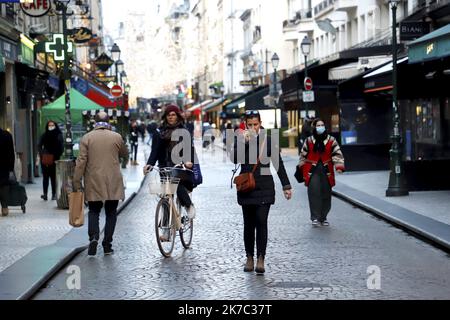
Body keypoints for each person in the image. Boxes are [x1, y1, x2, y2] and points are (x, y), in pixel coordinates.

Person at [231, 110, 292, 274]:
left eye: (255, 124)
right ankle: (249, 257)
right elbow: (234, 158)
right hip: (246, 187)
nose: (252, 128)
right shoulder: (240, 139)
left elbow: (278, 164)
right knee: (248, 225)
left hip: (264, 187)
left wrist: (286, 186)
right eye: (249, 125)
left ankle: (261, 258)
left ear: (260, 124)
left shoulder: (269, 141)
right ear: (245, 124)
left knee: (261, 221)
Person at [73, 111, 129, 256]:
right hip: (113, 179)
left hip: (93, 179)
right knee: (111, 213)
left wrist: (76, 181)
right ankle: (107, 245)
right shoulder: (116, 137)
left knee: (94, 211)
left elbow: (81, 161)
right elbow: (124, 154)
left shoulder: (87, 138)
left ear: (94, 121)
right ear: (108, 121)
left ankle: (93, 237)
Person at [143, 104, 197, 224]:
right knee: (166, 196)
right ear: (165, 117)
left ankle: (188, 205)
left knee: (177, 186)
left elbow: (189, 148)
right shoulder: (159, 132)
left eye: (173, 114)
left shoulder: (184, 131)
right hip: (164, 166)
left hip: (179, 165)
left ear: (177, 116)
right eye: (168, 115)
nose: (171, 117)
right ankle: (166, 229)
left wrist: (188, 161)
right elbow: (155, 151)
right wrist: (149, 164)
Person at [299, 118, 345, 227]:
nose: (320, 127)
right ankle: (315, 217)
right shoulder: (309, 141)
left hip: (326, 170)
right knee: (314, 193)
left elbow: (337, 154)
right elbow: (303, 155)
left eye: (322, 125)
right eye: (318, 125)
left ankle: (323, 217)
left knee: (326, 193)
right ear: (314, 127)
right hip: (312, 171)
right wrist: (301, 167)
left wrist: (339, 166)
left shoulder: (331, 140)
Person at [38, 121, 64, 201]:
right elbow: (39, 145)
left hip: (53, 158)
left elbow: (61, 147)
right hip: (48, 158)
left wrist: (43, 153)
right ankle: (46, 194)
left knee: (52, 177)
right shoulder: (45, 135)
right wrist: (42, 154)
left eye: (52, 125)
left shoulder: (58, 135)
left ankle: (53, 194)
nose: (51, 126)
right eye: (49, 125)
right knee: (46, 177)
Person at [0, 127, 15, 216]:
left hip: (4, 165)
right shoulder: (7, 135)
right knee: (4, 186)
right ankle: (4, 207)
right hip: (4, 166)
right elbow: (11, 152)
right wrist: (11, 167)